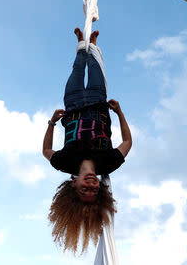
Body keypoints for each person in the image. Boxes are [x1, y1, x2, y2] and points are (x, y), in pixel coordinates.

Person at [42, 28, 132, 254]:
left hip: (72, 103)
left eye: (85, 190)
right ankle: (92, 43)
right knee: (93, 66)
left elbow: (46, 150)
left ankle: (81, 43)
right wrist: (120, 113)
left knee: (77, 67)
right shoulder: (107, 163)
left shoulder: (65, 163)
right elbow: (128, 142)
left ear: (74, 185)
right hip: (97, 99)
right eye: (94, 190)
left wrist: (51, 123)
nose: (91, 185)